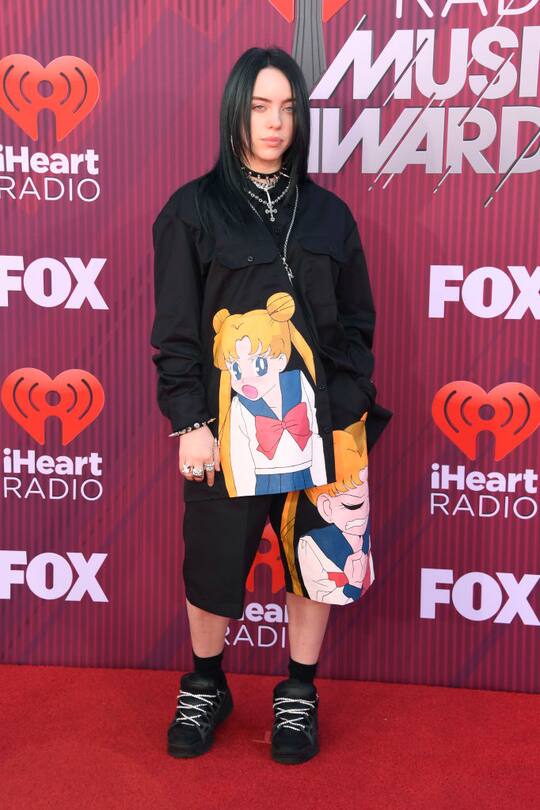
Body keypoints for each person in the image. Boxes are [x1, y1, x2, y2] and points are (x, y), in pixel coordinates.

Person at [150, 46, 392, 765]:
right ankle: (206, 683)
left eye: (287, 107)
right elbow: (177, 332)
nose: (274, 122)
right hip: (227, 431)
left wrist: (347, 405)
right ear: (234, 111)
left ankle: (300, 692)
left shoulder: (329, 215)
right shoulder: (191, 211)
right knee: (213, 563)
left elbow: (356, 324)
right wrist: (190, 423)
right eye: (259, 106)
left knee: (315, 560)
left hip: (324, 426)